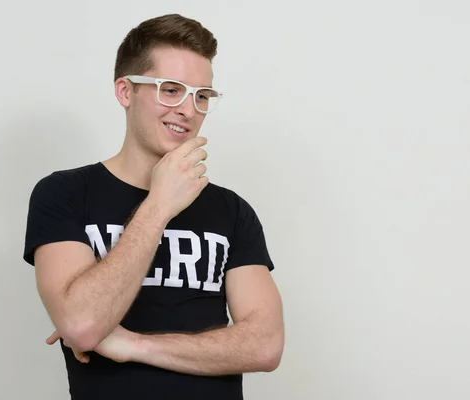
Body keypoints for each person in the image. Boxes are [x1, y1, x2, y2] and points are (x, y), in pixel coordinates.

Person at [22, 13, 284, 400]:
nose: (189, 109)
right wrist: (159, 204)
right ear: (126, 92)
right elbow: (81, 324)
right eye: (171, 89)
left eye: (201, 95)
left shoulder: (232, 211)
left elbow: (264, 345)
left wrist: (132, 345)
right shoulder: (64, 193)